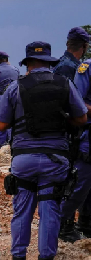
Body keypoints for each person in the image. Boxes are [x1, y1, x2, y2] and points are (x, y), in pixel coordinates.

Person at [0, 41, 88, 260]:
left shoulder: (16, 87)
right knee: (49, 212)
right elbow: (81, 118)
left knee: (22, 212)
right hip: (53, 161)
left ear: (27, 64)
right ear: (50, 63)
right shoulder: (64, 84)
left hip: (23, 161)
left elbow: (1, 126)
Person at [58, 55, 91, 243]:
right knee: (80, 181)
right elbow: (77, 102)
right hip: (87, 135)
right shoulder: (86, 68)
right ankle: (63, 223)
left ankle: (86, 222)